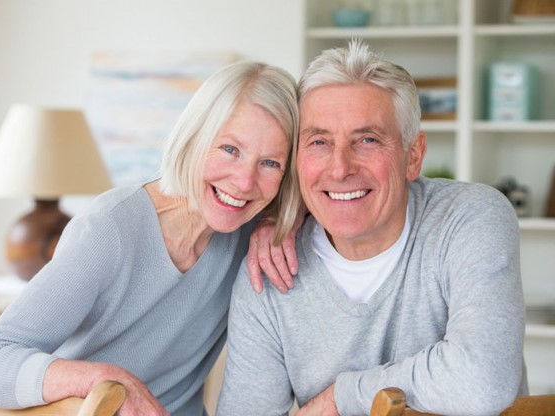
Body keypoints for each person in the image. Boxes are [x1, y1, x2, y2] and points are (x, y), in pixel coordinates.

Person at [0, 60, 299, 416]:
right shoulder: (109, 230)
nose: (244, 181)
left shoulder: (251, 232)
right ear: (194, 138)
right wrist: (104, 379)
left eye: (270, 163)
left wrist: (279, 221)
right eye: (230, 149)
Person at [217, 39, 527, 416]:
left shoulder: (469, 219)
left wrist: (341, 397)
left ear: (413, 156)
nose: (339, 168)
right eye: (318, 141)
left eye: (367, 140)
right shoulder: (269, 269)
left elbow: (481, 381)